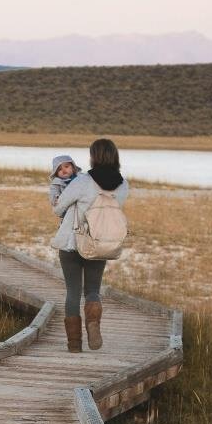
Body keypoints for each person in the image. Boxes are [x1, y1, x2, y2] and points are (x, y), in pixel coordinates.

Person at [50, 137, 129, 351]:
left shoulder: (83, 181)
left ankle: (74, 343)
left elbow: (58, 209)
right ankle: (93, 324)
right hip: (100, 244)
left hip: (72, 243)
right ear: (114, 156)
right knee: (93, 290)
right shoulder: (123, 184)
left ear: (93, 157)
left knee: (73, 292)